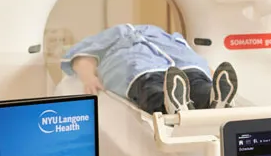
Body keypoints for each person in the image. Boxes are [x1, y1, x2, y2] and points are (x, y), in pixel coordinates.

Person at [60, 24, 238, 115]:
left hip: (179, 62)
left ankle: (210, 98)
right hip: (139, 66)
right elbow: (83, 57)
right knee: (152, 84)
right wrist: (88, 77)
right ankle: (178, 103)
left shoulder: (163, 35)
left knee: (195, 77)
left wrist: (210, 72)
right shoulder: (113, 37)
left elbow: (186, 50)